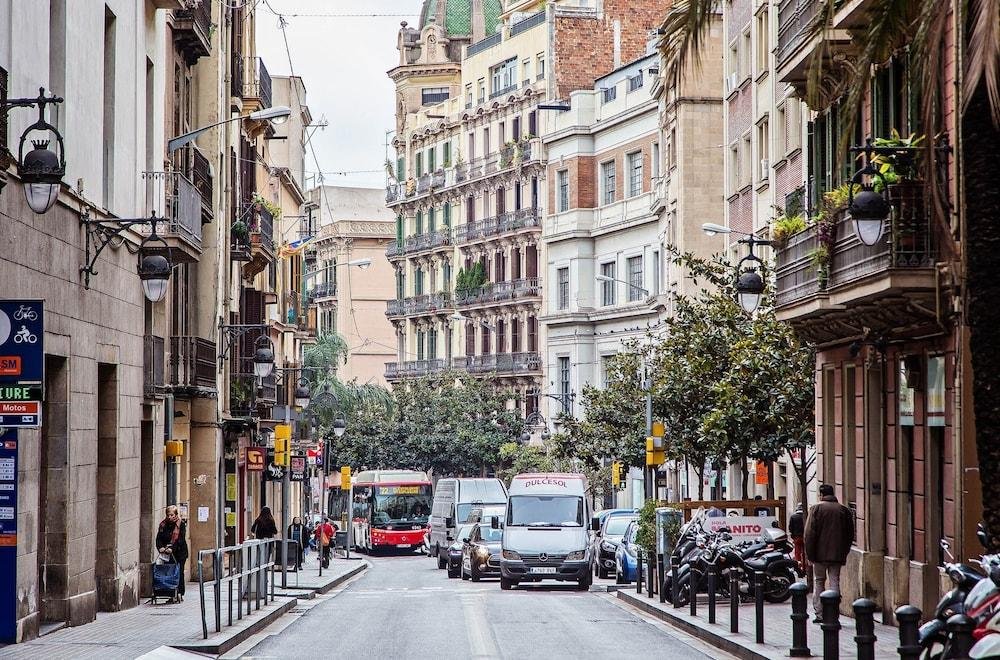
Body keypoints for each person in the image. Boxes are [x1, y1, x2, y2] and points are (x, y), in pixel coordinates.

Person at [804, 484, 855, 622]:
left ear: (821, 494)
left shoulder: (816, 509)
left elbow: (809, 535)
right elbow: (850, 534)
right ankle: (833, 614)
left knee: (819, 582)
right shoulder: (844, 510)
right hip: (837, 555)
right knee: (834, 582)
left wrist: (810, 555)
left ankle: (820, 614)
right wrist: (844, 551)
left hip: (819, 556)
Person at [156, 505, 188, 601]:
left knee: (179, 571)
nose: (169, 517)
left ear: (175, 514)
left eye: (171, 515)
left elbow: (180, 539)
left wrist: (172, 549)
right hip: (167, 553)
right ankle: (171, 592)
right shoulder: (163, 525)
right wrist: (160, 547)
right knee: (169, 572)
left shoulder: (181, 524)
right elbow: (159, 538)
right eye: (168, 515)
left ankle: (179, 592)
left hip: (180, 552)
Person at [789, 503, 807, 575]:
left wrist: (793, 536)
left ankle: (798, 568)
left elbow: (790, 528)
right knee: (805, 553)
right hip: (805, 537)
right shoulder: (806, 516)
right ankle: (805, 567)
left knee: (797, 553)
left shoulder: (793, 516)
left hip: (797, 537)